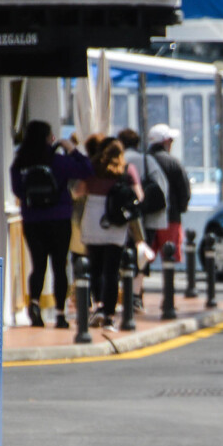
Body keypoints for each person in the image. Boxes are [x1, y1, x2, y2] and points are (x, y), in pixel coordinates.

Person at [9, 120, 93, 328]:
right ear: (48, 138)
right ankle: (60, 314)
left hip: (32, 220)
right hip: (59, 219)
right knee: (59, 266)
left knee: (38, 266)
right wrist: (72, 150)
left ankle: (35, 305)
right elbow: (87, 171)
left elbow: (18, 191)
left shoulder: (20, 163)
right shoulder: (58, 161)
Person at [78, 136, 142, 328]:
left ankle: (98, 305)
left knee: (95, 269)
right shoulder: (127, 170)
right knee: (112, 271)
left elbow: (78, 190)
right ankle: (109, 315)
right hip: (115, 221)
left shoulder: (91, 168)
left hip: (93, 218)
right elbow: (139, 196)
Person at [118, 128, 170, 313]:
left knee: (123, 256)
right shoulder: (147, 160)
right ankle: (135, 297)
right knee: (142, 256)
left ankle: (123, 294)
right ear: (137, 143)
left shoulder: (119, 161)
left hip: (122, 218)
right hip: (147, 218)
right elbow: (162, 187)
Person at [147, 124, 192, 265]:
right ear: (165, 142)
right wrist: (180, 209)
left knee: (144, 258)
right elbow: (184, 190)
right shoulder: (173, 163)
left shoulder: (144, 161)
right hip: (171, 216)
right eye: (171, 141)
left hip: (147, 216)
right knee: (170, 256)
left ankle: (137, 286)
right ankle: (169, 285)